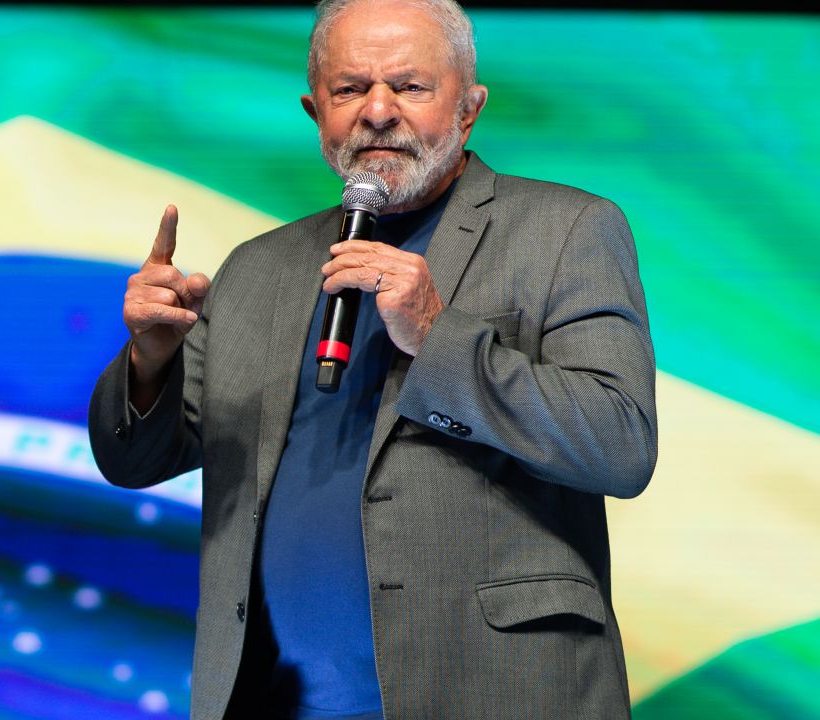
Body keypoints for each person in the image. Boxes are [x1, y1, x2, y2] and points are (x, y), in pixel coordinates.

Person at [88, 0, 657, 717]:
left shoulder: (566, 230)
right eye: (350, 88)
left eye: (411, 86)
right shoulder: (258, 268)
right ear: (314, 110)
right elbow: (134, 462)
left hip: (491, 692)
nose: (379, 111)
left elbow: (619, 444)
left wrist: (438, 335)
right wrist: (150, 360)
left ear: (470, 106)